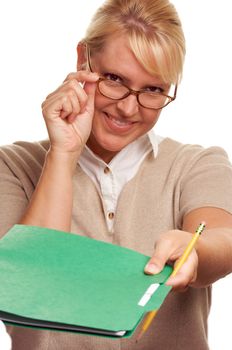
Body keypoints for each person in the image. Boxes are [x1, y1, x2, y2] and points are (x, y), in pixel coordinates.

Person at [0, 0, 232, 349]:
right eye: (114, 79)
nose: (127, 107)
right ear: (83, 60)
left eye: (153, 90)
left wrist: (196, 254)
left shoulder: (196, 164)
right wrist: (63, 155)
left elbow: (224, 238)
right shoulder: (12, 166)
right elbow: (29, 281)